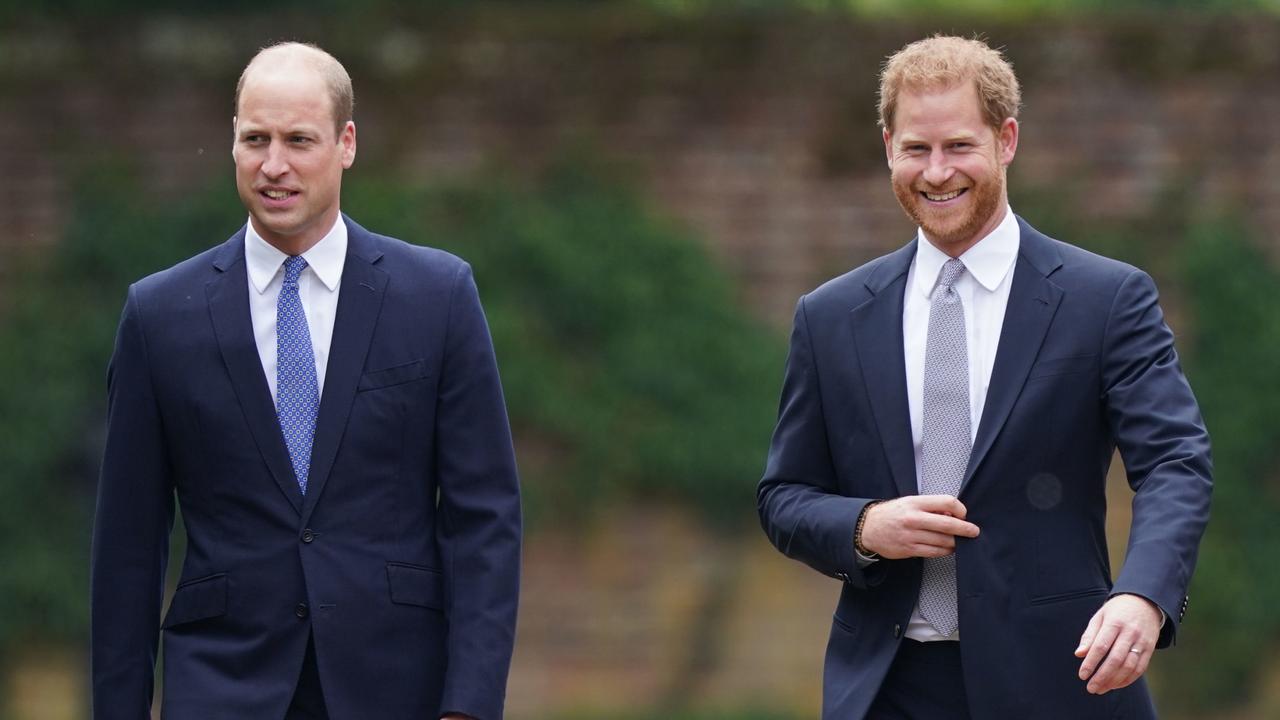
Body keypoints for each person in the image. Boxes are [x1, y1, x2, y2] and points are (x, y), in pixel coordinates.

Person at [756, 35, 1211, 719]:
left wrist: (1142, 596)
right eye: (916, 149)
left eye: (959, 146)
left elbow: (1175, 461)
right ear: (888, 148)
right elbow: (785, 497)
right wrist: (863, 525)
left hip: (1062, 680)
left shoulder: (1105, 299)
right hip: (885, 688)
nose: (936, 172)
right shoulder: (830, 316)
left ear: (1007, 140)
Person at [90, 42, 521, 720]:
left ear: (347, 143)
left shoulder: (437, 297)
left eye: (299, 140)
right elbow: (127, 545)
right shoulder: (159, 316)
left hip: (396, 683)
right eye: (255, 139)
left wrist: (467, 704)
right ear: (231, 143)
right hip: (221, 686)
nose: (274, 165)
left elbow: (484, 517)